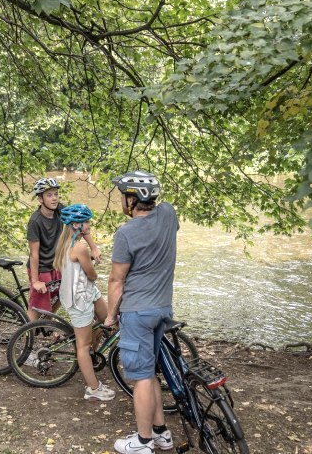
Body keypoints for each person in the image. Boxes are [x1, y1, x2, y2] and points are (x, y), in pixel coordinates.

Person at [105, 170, 178, 454]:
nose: (122, 201)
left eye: (124, 196)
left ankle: (143, 442)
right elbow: (162, 219)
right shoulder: (169, 215)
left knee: (141, 378)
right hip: (163, 308)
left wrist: (111, 316)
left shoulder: (125, 233)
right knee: (150, 372)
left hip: (137, 312)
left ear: (132, 200)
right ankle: (162, 433)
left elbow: (116, 281)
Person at [53, 203, 115, 401]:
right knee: (82, 345)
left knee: (108, 320)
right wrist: (95, 263)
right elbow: (92, 275)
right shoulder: (79, 247)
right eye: (85, 222)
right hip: (78, 299)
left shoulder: (67, 243)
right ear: (75, 225)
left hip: (89, 292)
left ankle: (93, 356)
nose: (89, 225)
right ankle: (93, 389)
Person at [26, 177, 100, 322]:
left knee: (61, 295)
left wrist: (94, 248)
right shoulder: (35, 221)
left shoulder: (61, 210)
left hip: (58, 263)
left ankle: (47, 323)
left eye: (55, 194)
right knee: (37, 306)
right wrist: (35, 281)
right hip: (41, 268)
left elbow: (79, 224)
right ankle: (26, 336)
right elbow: (34, 254)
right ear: (40, 199)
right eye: (49, 195)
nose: (54, 198)